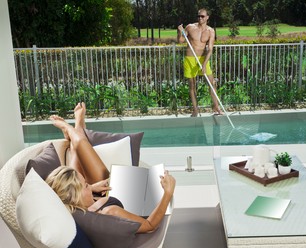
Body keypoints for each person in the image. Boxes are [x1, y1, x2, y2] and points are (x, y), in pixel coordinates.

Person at [45, 102, 175, 234]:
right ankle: (72, 129)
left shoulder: (76, 205)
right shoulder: (110, 212)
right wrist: (168, 192)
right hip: (128, 198)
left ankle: (76, 130)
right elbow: (149, 226)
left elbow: (79, 189)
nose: (89, 185)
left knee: (75, 154)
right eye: (85, 185)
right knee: (80, 145)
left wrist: (92, 187)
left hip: (100, 196)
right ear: (76, 197)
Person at [177, 8, 223, 117]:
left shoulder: (210, 31)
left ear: (207, 17)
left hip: (203, 60)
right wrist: (180, 32)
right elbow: (181, 41)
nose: (200, 18)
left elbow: (210, 49)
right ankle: (195, 109)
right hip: (190, 59)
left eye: (202, 16)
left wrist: (204, 63)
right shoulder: (190, 27)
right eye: (198, 16)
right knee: (192, 86)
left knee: (212, 84)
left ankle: (216, 107)